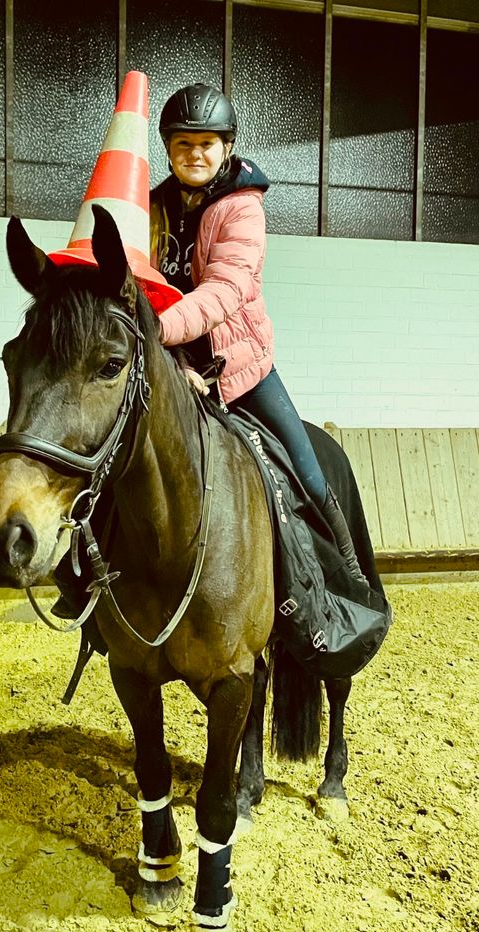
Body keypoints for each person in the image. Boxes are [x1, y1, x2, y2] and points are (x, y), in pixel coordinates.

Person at [150, 83, 366, 584]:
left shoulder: (243, 208)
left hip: (240, 367)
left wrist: (157, 331)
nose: (194, 153)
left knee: (308, 469)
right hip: (172, 364)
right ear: (168, 149)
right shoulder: (154, 206)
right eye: (183, 143)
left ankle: (348, 575)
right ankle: (81, 578)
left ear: (227, 147)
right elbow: (142, 282)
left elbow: (225, 289)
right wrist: (174, 361)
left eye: (206, 142)